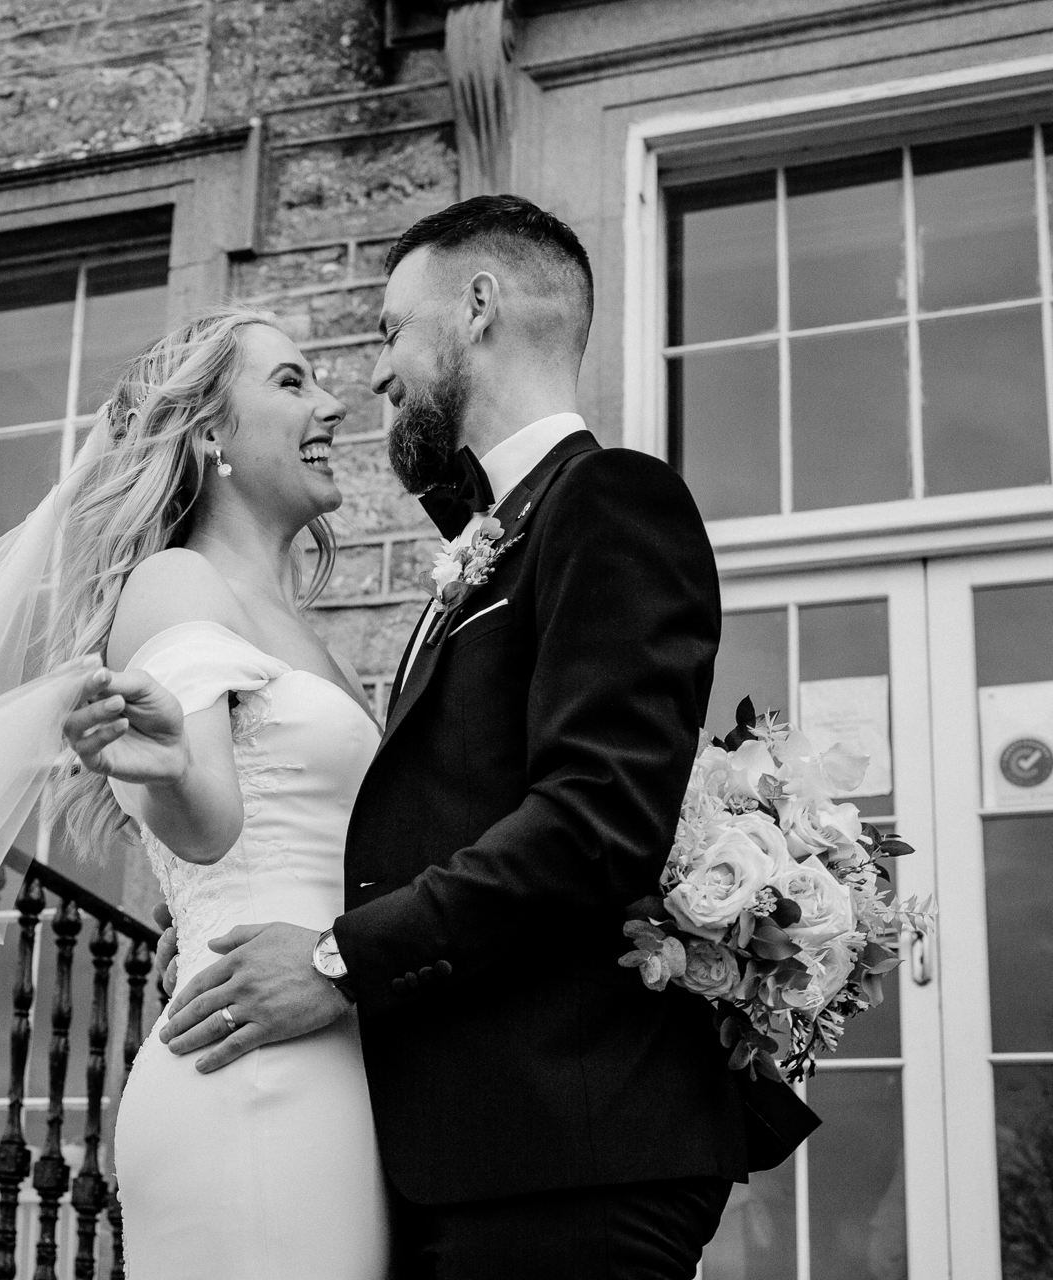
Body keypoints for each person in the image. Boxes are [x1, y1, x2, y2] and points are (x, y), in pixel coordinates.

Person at [65, 196, 777, 1279]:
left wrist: (332, 951)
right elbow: (272, 814)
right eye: (297, 378)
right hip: (425, 1129)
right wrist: (211, 881)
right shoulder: (473, 554)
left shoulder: (605, 498)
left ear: (477, 306)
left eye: (391, 327)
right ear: (209, 431)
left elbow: (595, 818)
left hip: (558, 1148)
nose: (373, 380)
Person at [49, 304, 391, 1277]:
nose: (331, 404)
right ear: (208, 431)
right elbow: (209, 821)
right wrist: (155, 773)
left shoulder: (306, 631)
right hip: (254, 1069)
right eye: (291, 381)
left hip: (336, 1053)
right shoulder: (177, 582)